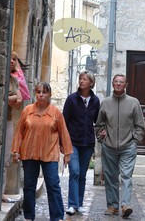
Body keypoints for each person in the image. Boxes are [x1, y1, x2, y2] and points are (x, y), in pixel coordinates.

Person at [12, 81, 73, 221]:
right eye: (38, 92)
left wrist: (67, 153)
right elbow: (19, 132)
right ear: (35, 94)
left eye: (44, 92)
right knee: (29, 186)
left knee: (53, 185)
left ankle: (57, 217)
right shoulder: (27, 111)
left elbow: (64, 132)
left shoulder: (55, 112)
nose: (41, 95)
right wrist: (16, 150)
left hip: (50, 153)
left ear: (49, 95)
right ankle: (29, 216)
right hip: (29, 152)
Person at [95, 74, 145, 218]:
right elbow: (99, 124)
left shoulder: (133, 103)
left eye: (121, 82)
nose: (118, 84)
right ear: (112, 84)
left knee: (126, 175)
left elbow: (140, 124)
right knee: (111, 177)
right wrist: (101, 136)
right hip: (109, 146)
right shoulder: (105, 103)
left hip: (128, 146)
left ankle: (125, 205)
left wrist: (135, 140)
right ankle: (112, 206)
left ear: (126, 85)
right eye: (116, 82)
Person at [62, 71, 100, 215]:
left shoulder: (95, 101)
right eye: (80, 79)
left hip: (88, 143)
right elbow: (64, 121)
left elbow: (97, 121)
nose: (81, 81)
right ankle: (72, 204)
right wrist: (62, 143)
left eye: (84, 79)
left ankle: (79, 203)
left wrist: (102, 131)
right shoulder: (71, 99)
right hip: (73, 142)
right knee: (74, 172)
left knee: (82, 175)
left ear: (91, 82)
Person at [1, 67, 22, 203]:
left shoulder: (14, 80)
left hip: (8, 119)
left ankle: (1, 192)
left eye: (15, 59)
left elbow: (19, 102)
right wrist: (12, 98)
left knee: (6, 158)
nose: (12, 61)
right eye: (11, 58)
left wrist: (9, 98)